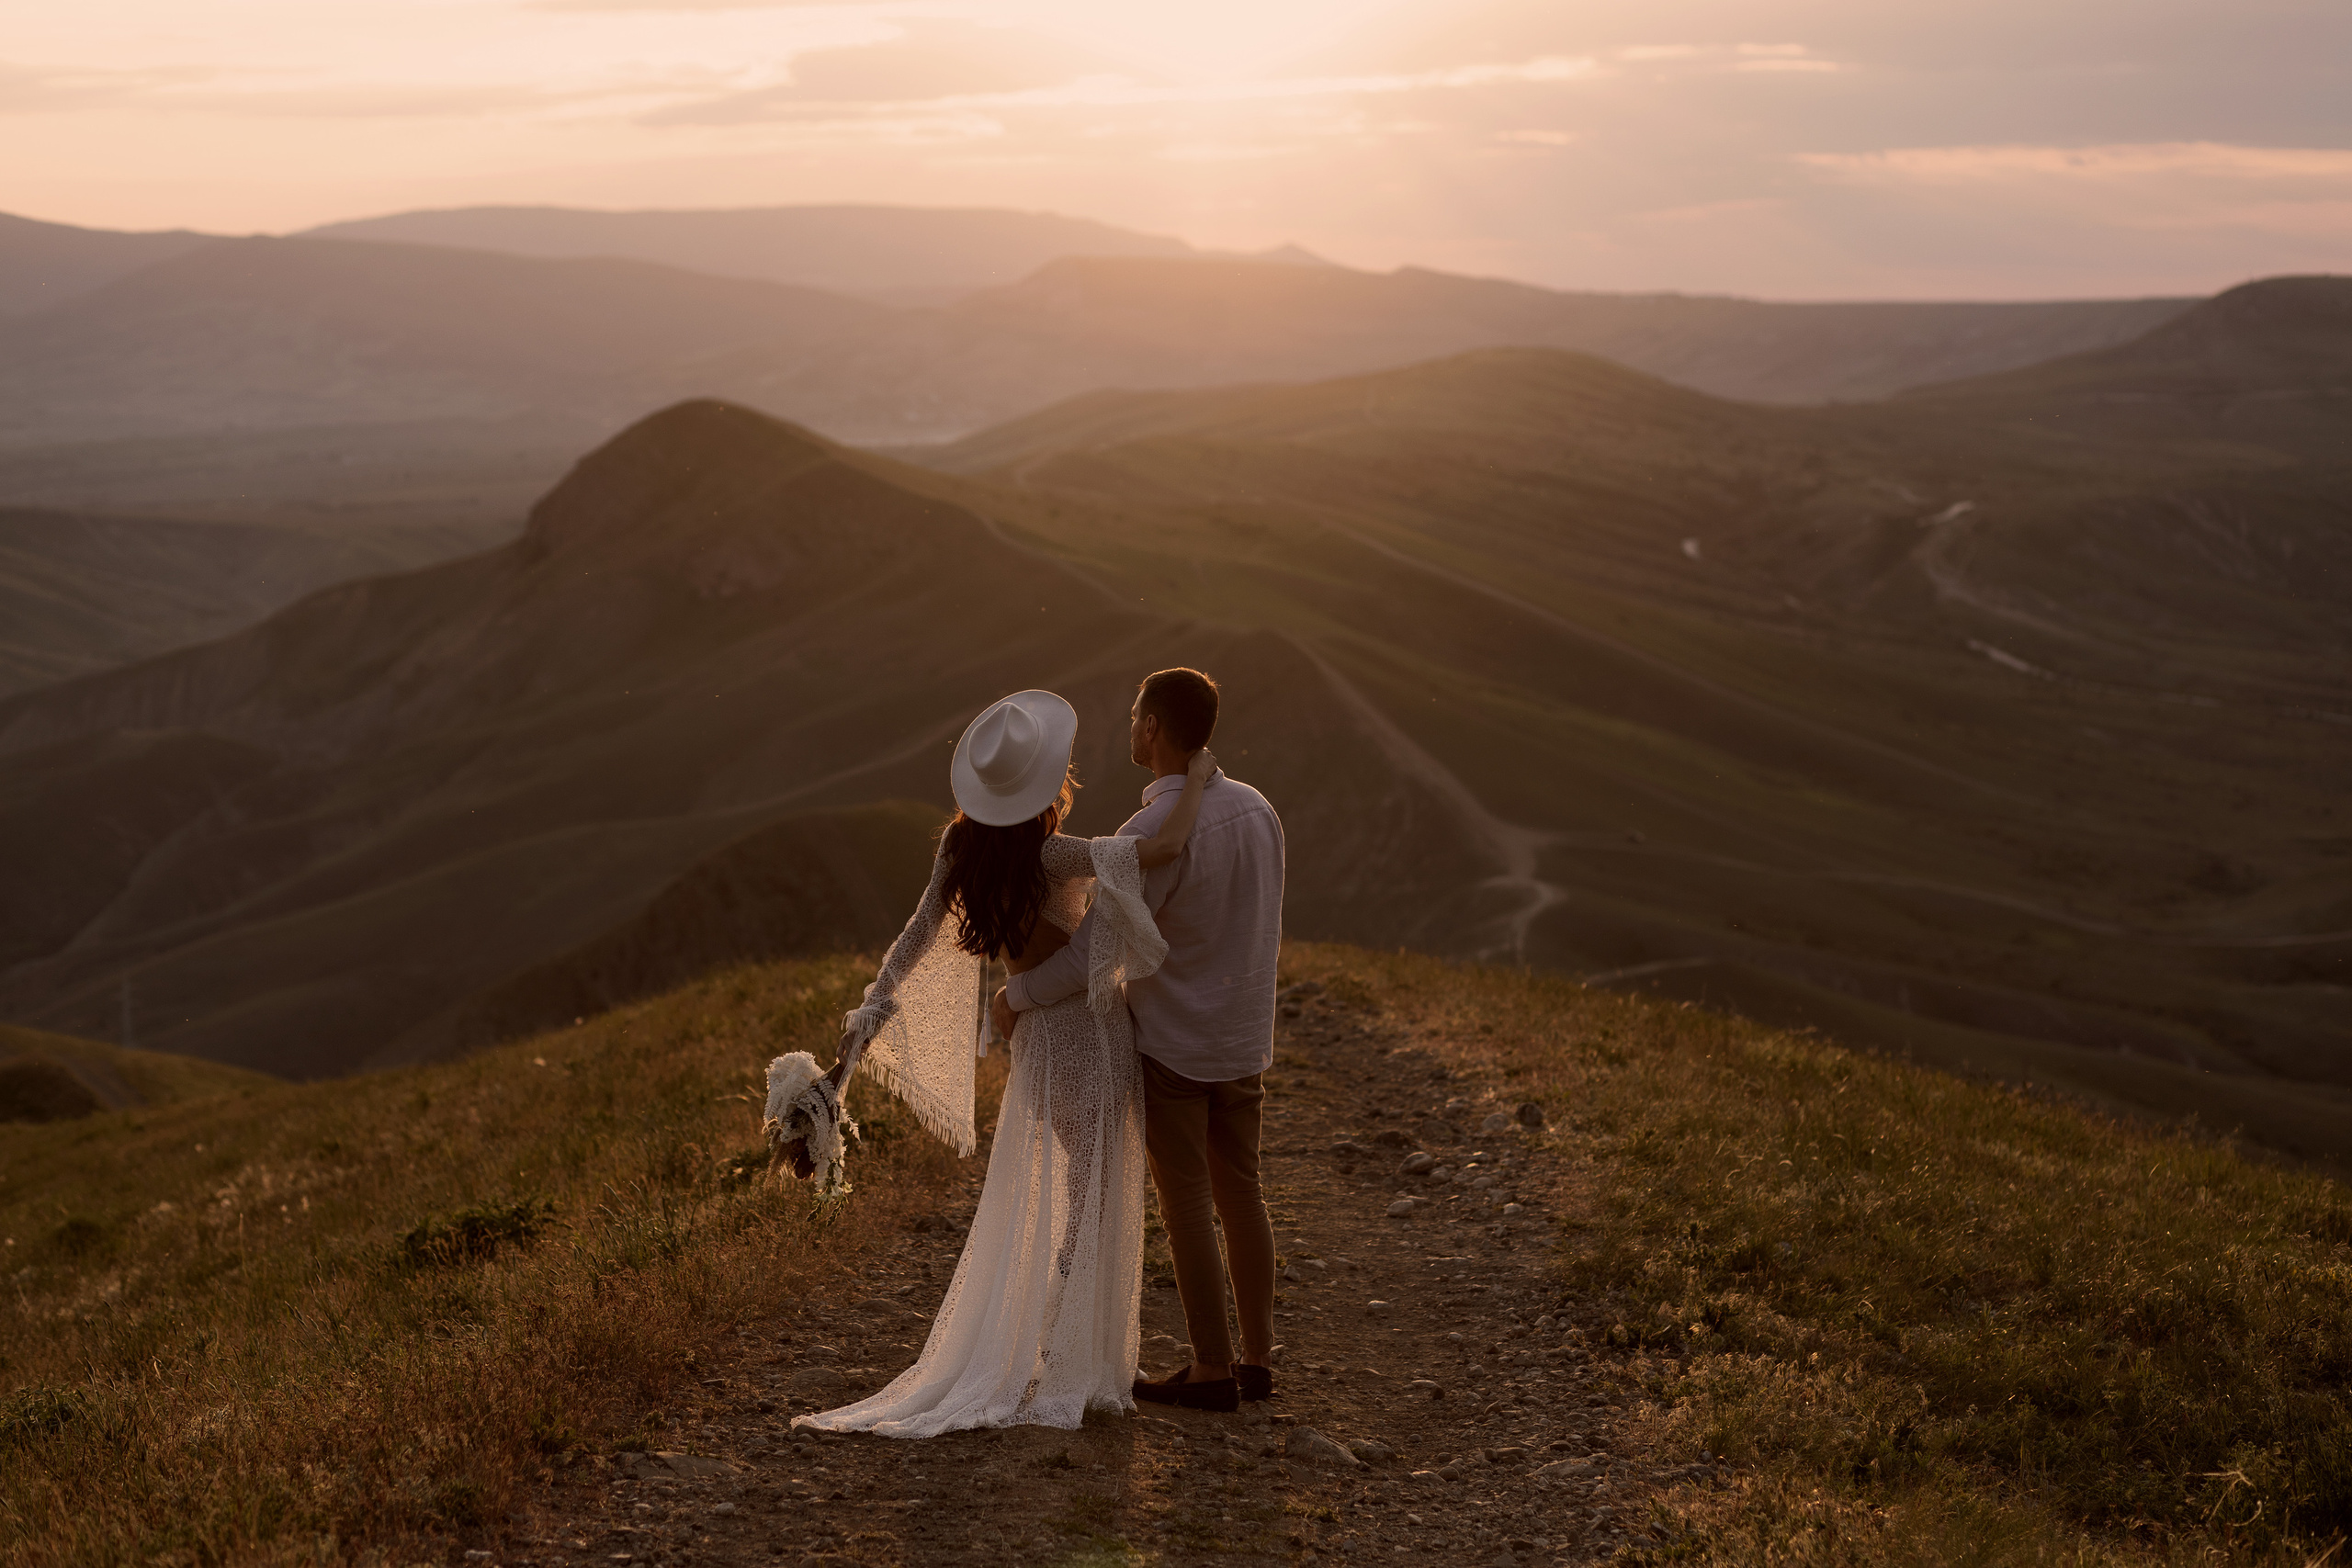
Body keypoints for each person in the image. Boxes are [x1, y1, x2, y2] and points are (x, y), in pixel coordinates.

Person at [793, 689, 1215, 1438]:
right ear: (1046, 783)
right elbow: (1160, 850)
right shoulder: (1054, 853)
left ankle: (1055, 1340)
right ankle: (1066, 1349)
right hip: (1091, 1035)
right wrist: (1199, 779)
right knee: (1094, 1194)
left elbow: (914, 939)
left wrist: (857, 1035)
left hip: (1039, 1046)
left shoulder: (961, 854)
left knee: (1075, 1188)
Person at [995, 668, 1285, 1415]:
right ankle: (1257, 1358)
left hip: (1176, 1046)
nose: (1129, 725)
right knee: (1243, 1193)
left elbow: (1091, 957)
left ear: (1154, 728)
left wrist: (1016, 994)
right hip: (1243, 1042)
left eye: (1134, 715)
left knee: (1187, 1202)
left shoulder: (1141, 833)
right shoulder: (1259, 812)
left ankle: (1210, 1368)